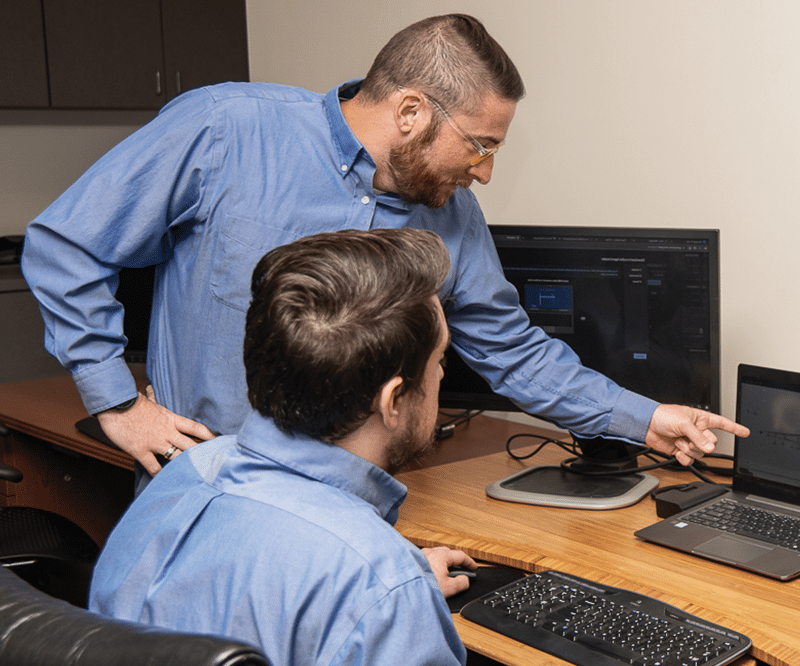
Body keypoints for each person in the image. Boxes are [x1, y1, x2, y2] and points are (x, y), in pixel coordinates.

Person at [22, 14, 747, 482]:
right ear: (410, 111)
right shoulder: (224, 130)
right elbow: (66, 244)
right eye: (480, 145)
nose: (485, 171)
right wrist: (116, 400)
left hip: (358, 505)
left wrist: (645, 417)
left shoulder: (451, 211)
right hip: (216, 491)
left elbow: (512, 349)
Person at [89, 228, 704, 666]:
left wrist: (379, 595)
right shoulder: (378, 585)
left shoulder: (181, 478)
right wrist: (385, 599)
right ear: (394, 400)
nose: (442, 377)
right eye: (439, 363)